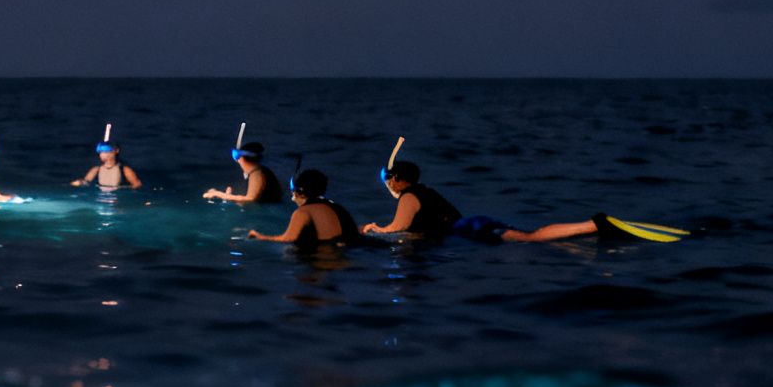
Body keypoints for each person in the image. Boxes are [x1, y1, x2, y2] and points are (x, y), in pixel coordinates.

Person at [364, 161, 672, 243]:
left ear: (401, 180)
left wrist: (375, 230)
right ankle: (590, 226)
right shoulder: (426, 192)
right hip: (473, 224)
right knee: (529, 235)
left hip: (469, 230)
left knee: (530, 237)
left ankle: (593, 224)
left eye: (391, 179)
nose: (389, 184)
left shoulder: (410, 195)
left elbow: (398, 228)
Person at [246, 169, 365, 246]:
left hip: (328, 257)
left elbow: (287, 239)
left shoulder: (303, 212)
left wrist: (260, 237)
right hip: (356, 248)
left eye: (293, 192)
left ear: (300, 192)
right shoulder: (337, 207)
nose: (292, 197)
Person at [361, 160, 459, 236]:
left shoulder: (409, 197)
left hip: (433, 247)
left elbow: (397, 229)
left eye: (387, 179)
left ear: (395, 178)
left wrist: (373, 230)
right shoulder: (428, 192)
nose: (387, 184)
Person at [203, 141, 284, 204]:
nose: (237, 161)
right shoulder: (261, 171)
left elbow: (250, 199)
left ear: (243, 158)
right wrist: (229, 196)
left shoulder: (257, 175)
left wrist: (218, 194)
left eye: (237, 157)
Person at [72, 139, 141, 189]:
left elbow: (137, 185)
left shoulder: (125, 170)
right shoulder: (96, 170)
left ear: (116, 151)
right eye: (100, 152)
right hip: (100, 199)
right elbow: (86, 182)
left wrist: (124, 190)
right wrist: (78, 183)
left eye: (105, 151)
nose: (102, 154)